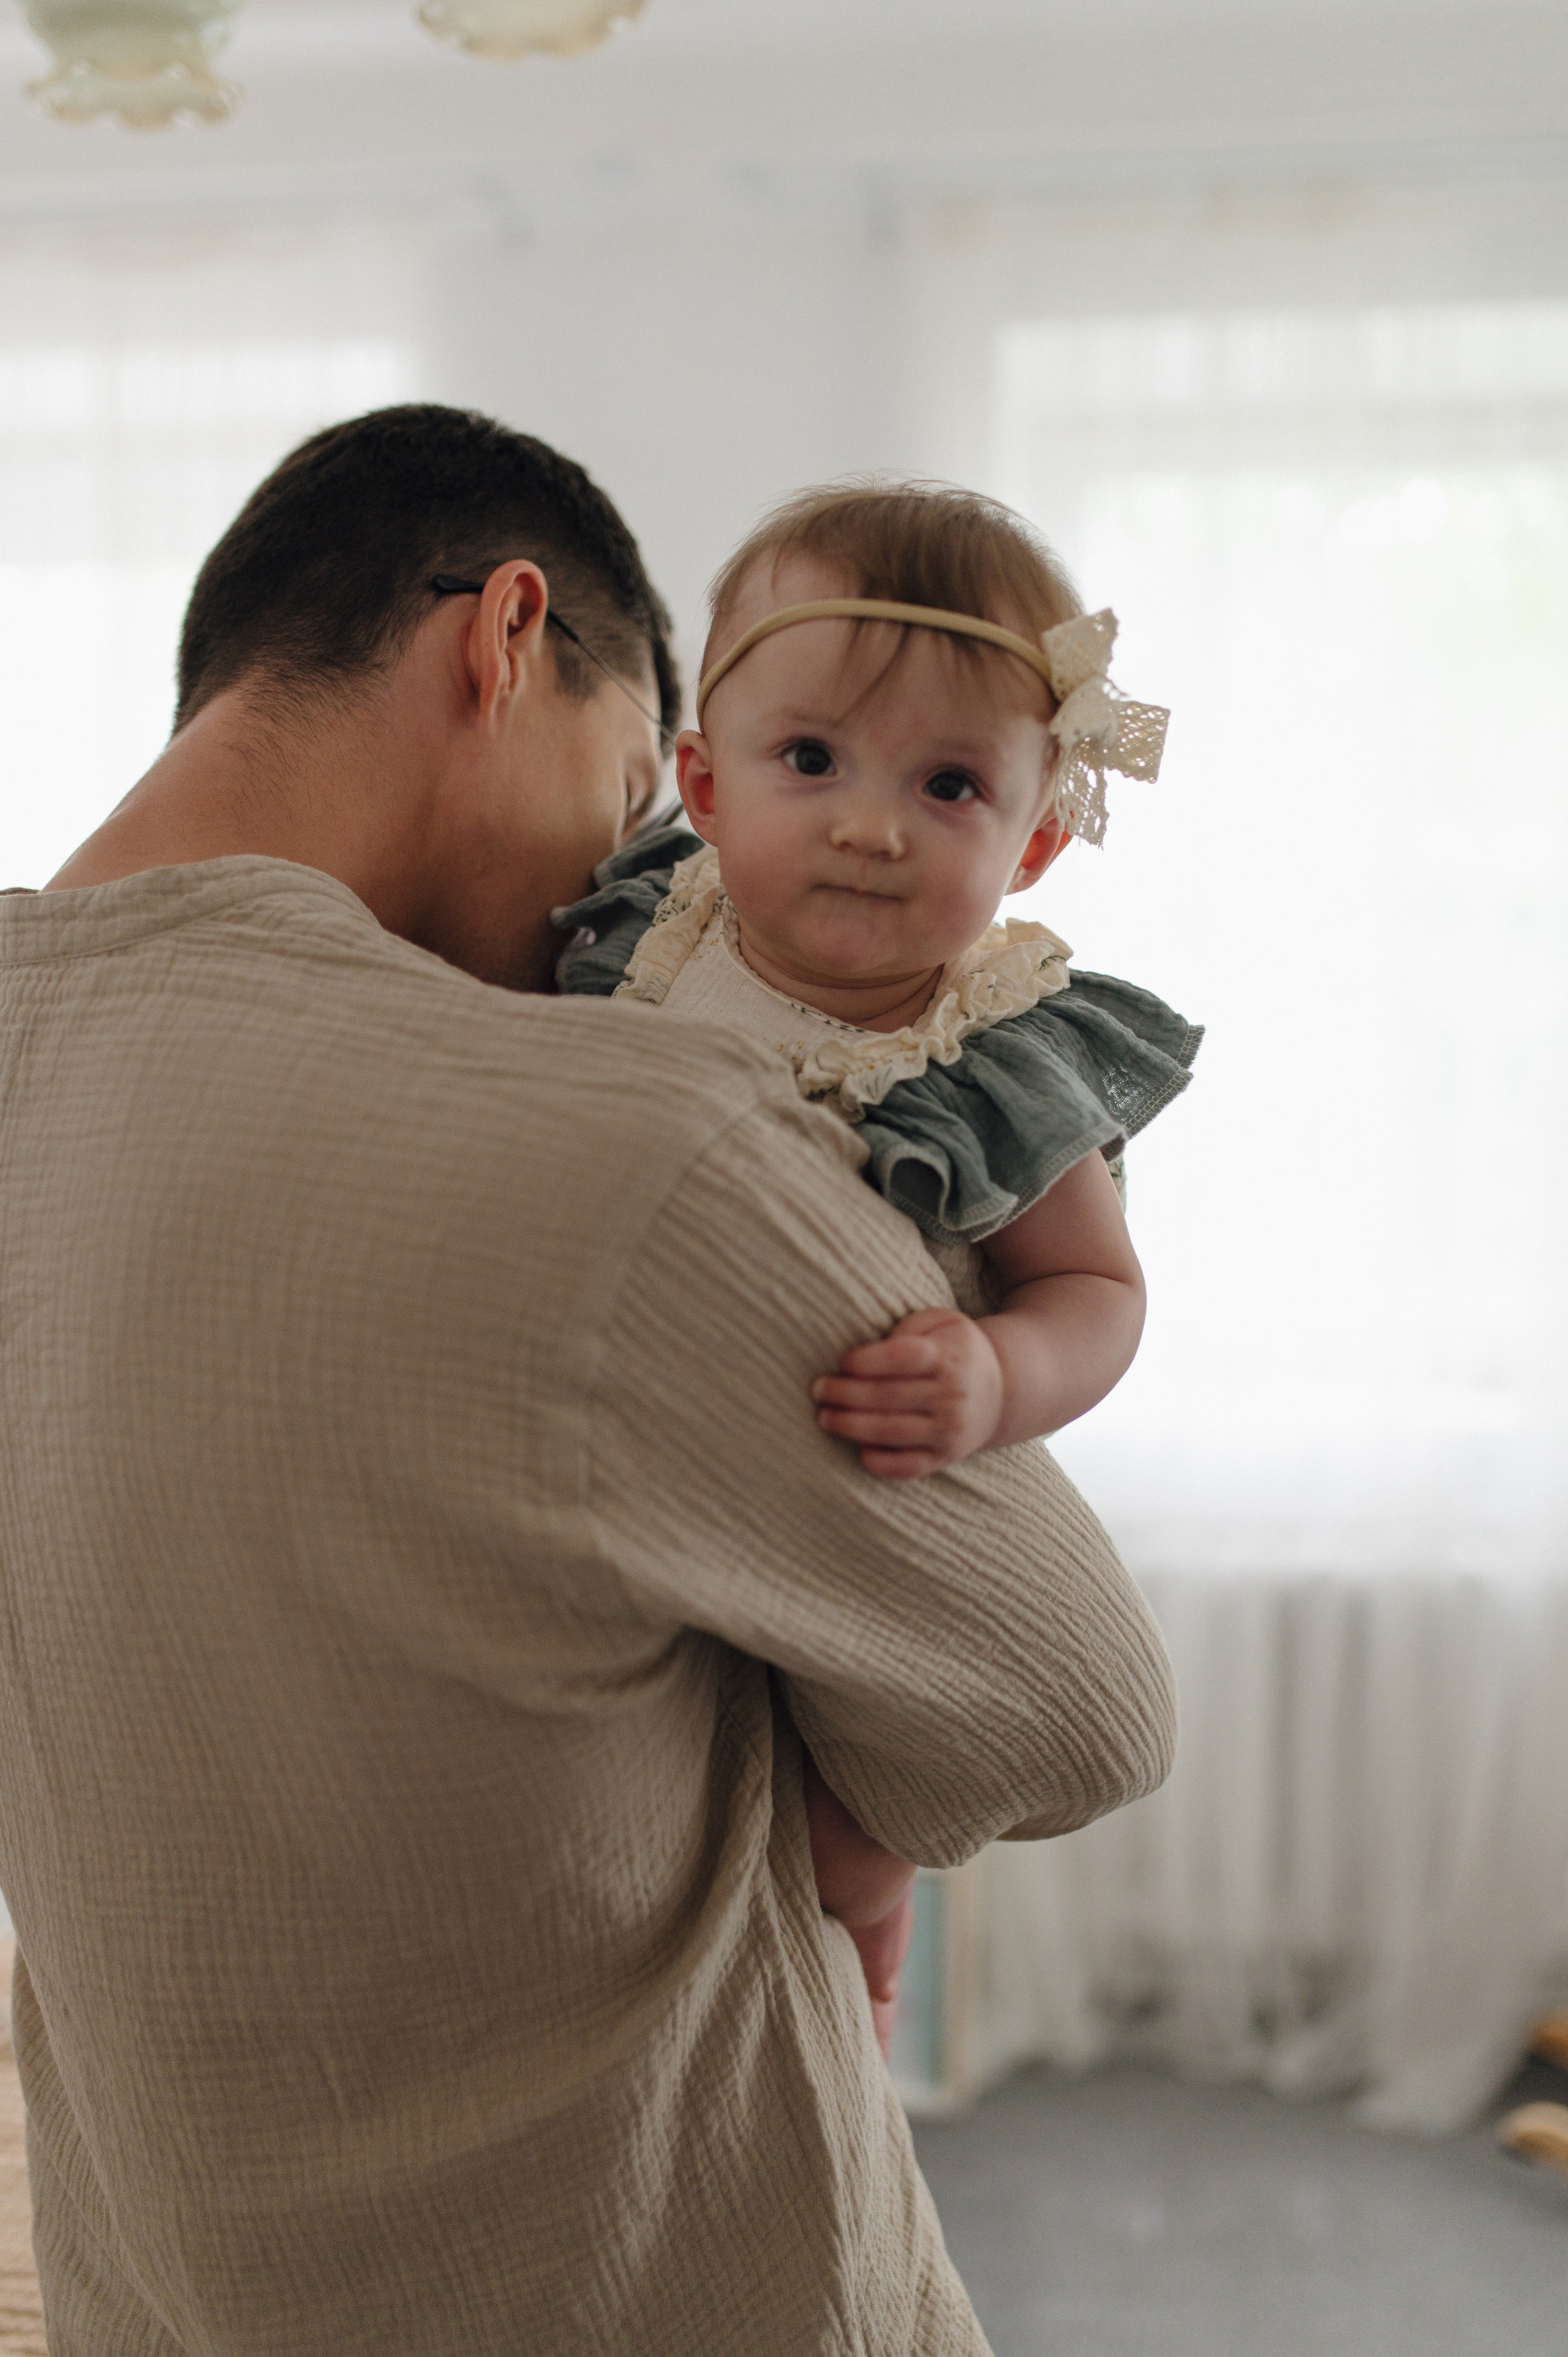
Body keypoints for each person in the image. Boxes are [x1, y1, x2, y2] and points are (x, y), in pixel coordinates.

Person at [0, 404, 1177, 2357]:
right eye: (640, 787)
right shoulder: (628, 1136)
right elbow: (1077, 1707)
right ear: (506, 642)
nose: (599, 905)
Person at [554, 477, 1200, 2057]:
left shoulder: (992, 1050)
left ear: (1037, 838)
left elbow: (1099, 1296)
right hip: (646, 1451)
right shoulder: (645, 940)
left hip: (867, 1480)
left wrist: (997, 1378)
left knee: (835, 1828)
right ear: (703, 783)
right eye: (812, 760)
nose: (869, 822)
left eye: (951, 785)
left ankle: (861, 1968)